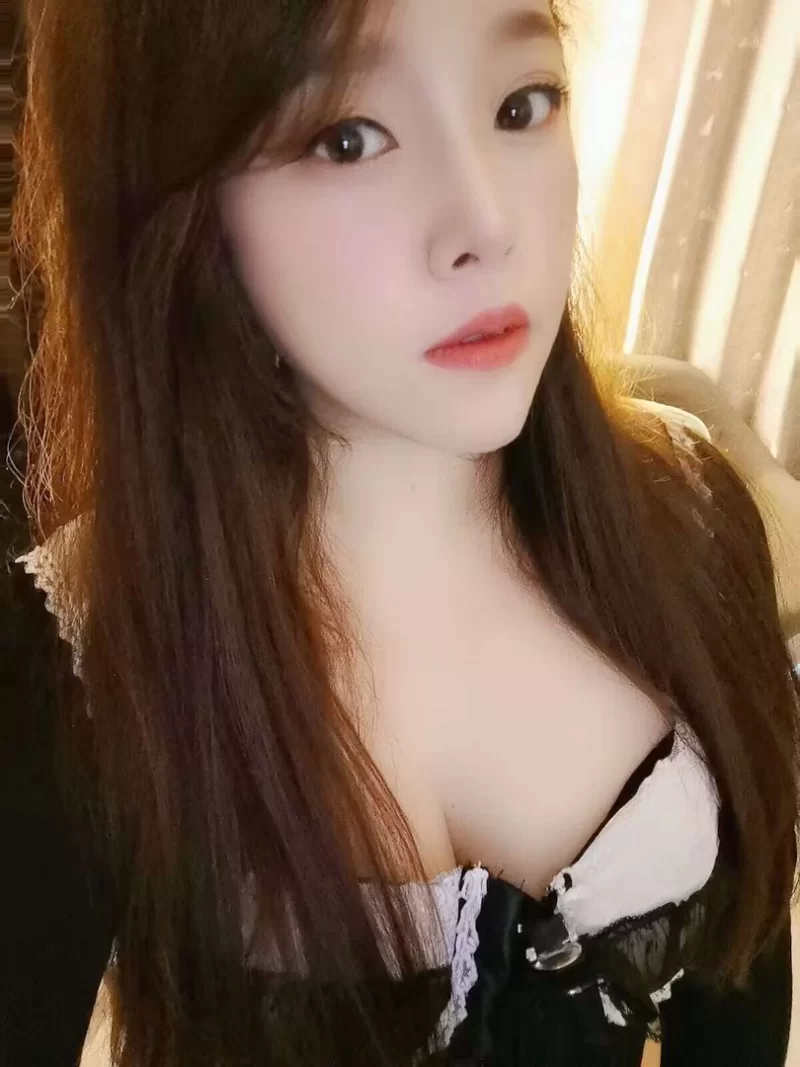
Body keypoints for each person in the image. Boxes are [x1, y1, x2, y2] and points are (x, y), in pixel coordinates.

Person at [5, 0, 798, 1064]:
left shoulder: (692, 515)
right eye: (347, 138)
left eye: (522, 103)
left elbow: (740, 984)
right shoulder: (76, 659)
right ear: (179, 197)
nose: (487, 222)